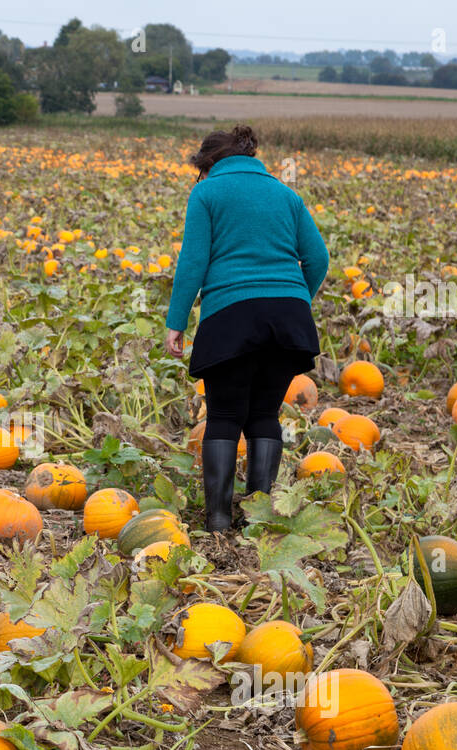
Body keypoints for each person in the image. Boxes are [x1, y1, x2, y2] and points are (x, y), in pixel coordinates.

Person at [164, 124, 329, 532]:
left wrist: (176, 322)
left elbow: (193, 262)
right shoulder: (286, 194)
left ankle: (219, 519)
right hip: (288, 320)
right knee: (264, 414)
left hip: (231, 316)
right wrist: (295, 302)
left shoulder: (207, 194)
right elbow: (319, 258)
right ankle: (258, 517)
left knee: (223, 414)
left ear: (209, 164)